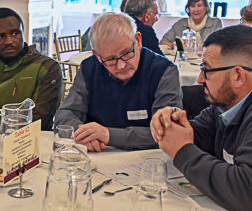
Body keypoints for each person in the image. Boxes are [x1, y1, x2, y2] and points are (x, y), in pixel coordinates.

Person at [150, 25, 252, 211]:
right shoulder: (236, 97)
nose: (200, 79)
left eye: (206, 70)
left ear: (238, 75)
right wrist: (172, 125)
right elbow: (200, 133)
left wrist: (183, 151)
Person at [54, 12, 181, 151]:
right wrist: (83, 135)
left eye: (126, 53)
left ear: (138, 40)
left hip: (146, 161)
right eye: (110, 59)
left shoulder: (164, 71)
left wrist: (108, 135)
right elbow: (66, 114)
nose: (121, 65)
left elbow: (166, 132)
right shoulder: (89, 68)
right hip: (98, 157)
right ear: (97, 55)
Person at [0, 8, 62, 131]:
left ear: (23, 33)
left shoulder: (47, 68)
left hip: (33, 146)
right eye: (0, 36)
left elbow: (39, 123)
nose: (9, 41)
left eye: (15, 33)